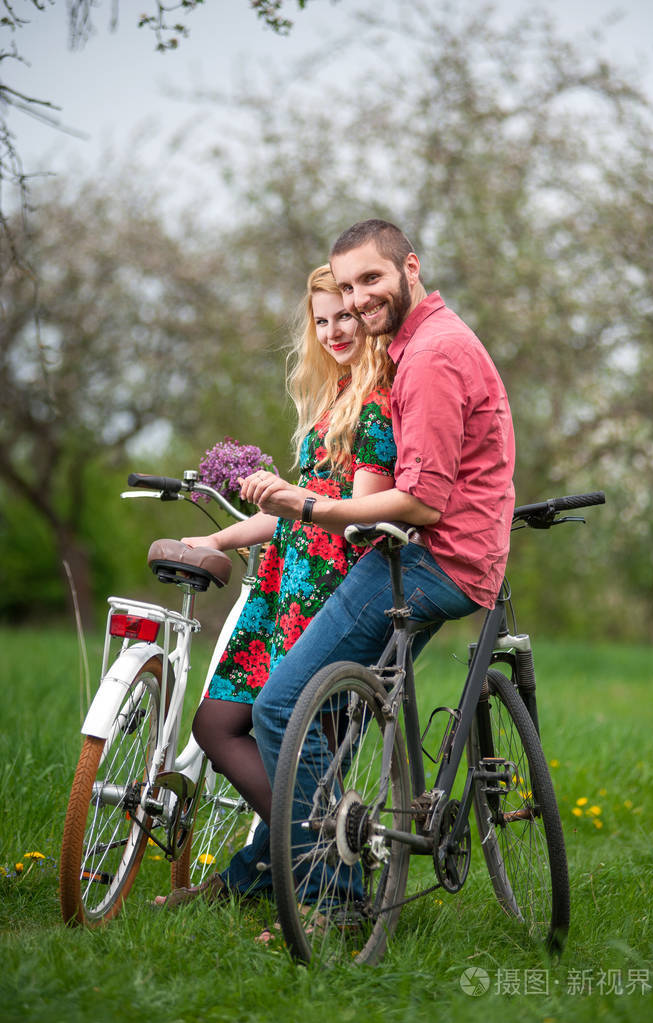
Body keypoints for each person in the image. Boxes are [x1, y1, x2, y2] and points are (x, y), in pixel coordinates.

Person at [166, 218, 515, 908]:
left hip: (427, 561)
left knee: (282, 708)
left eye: (369, 280)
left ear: (409, 267)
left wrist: (308, 507)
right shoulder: (414, 348)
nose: (355, 301)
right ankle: (264, 873)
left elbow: (418, 500)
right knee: (290, 718)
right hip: (425, 555)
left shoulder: (430, 356)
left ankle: (336, 896)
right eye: (345, 287)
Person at [155, 263, 396, 907]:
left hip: (328, 589)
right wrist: (219, 539)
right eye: (321, 320)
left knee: (282, 732)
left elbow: (356, 510)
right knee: (217, 723)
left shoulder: (377, 400)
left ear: (368, 315)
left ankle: (308, 869)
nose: (334, 329)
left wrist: (296, 505)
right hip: (282, 584)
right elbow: (295, 504)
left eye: (345, 315)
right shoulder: (335, 397)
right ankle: (310, 848)